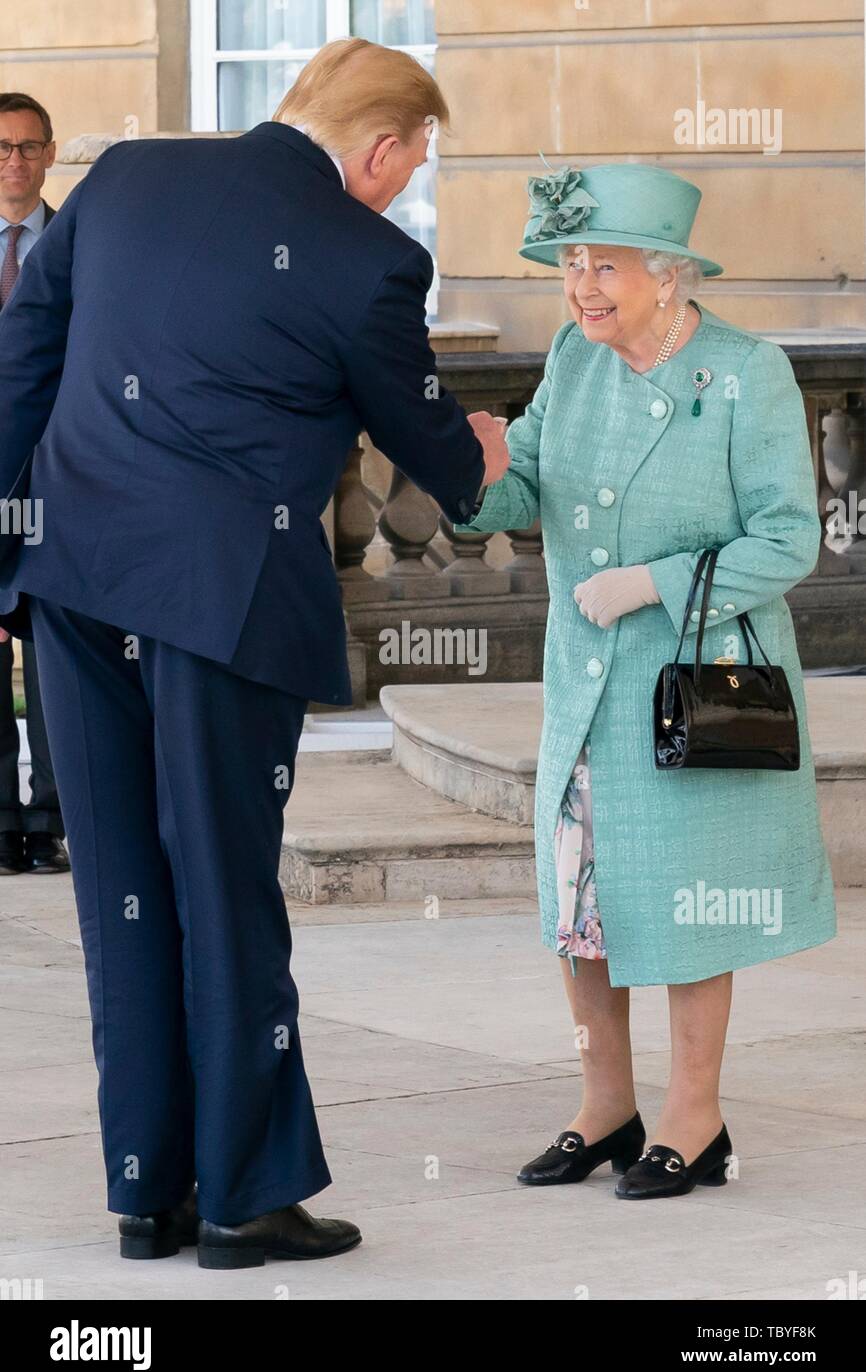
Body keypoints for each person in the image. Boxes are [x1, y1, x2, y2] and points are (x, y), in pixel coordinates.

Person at [0, 38, 510, 1266]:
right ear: (378, 149)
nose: (408, 186)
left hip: (74, 584)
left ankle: (145, 1194)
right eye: (414, 160)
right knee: (225, 894)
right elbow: (441, 461)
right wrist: (483, 445)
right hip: (222, 610)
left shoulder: (122, 176)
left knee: (120, 891)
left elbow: (18, 368)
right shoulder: (371, 258)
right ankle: (242, 1195)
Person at [455, 161, 836, 1200]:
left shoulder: (743, 371)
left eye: (602, 264)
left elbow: (788, 539)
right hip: (581, 690)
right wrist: (477, 472)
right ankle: (604, 1106)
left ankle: (693, 1117)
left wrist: (650, 585)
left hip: (689, 689)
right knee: (581, 904)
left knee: (683, 901)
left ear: (667, 275)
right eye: (569, 263)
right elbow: (518, 486)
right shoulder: (575, 365)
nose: (579, 285)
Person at [0, 92, 68, 876]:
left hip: (59, 483)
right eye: (3, 148)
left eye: (28, 146)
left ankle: (49, 819)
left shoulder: (76, 246)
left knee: (55, 656)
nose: (15, 161)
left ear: (49, 154)